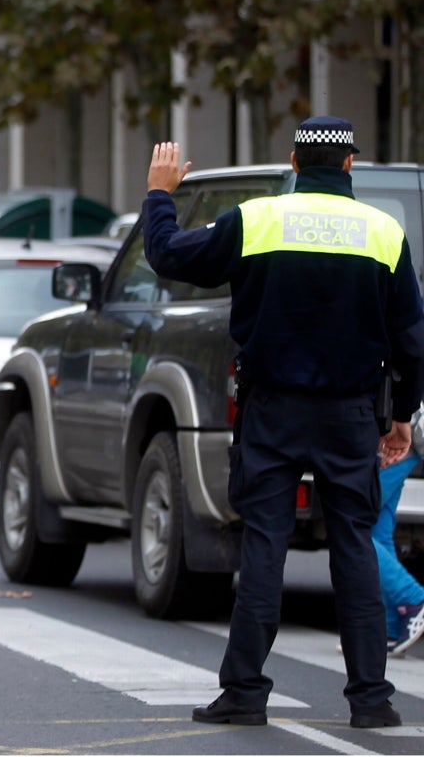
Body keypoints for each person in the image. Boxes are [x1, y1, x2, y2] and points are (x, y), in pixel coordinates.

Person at [143, 116, 424, 730]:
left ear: (294, 164)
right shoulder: (384, 232)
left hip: (271, 411)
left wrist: (161, 195)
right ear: (350, 167)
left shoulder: (258, 220)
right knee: (353, 548)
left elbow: (167, 256)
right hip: (351, 416)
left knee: (265, 547)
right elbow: (411, 341)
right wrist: (400, 417)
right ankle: (371, 701)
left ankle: (245, 693)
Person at [376, 415, 424, 657]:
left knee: (352, 528)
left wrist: (398, 424)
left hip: (398, 433)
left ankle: (413, 598)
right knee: (377, 532)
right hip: (406, 433)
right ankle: (392, 626)